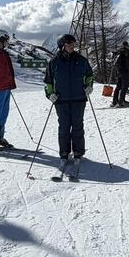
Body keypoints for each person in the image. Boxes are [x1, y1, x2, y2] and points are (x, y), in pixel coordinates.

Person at [43, 34, 94, 162]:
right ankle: (64, 153)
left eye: (72, 44)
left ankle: (78, 152)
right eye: (68, 44)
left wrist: (89, 86)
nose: (72, 46)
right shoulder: (54, 62)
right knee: (64, 127)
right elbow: (48, 82)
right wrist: (50, 94)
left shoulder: (82, 60)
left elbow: (89, 75)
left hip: (79, 98)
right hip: (61, 100)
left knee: (77, 126)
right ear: (62, 46)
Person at [111, 40, 129, 108]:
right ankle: (121, 102)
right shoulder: (128, 52)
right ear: (127, 45)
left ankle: (115, 101)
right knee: (124, 87)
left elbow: (114, 62)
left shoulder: (118, 52)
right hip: (126, 72)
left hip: (118, 72)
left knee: (118, 86)